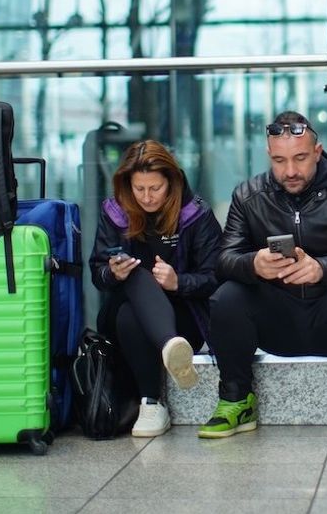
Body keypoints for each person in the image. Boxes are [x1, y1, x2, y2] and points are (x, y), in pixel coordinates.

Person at [201, 111, 327, 440]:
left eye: (300, 158)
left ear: (318, 151)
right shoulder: (248, 195)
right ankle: (236, 399)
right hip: (276, 320)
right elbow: (223, 260)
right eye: (280, 161)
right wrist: (254, 263)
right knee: (227, 296)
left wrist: (322, 269)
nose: (290, 171)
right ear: (269, 155)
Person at [88, 139, 223, 437]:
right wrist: (112, 273)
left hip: (182, 320)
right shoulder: (114, 212)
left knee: (129, 316)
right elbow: (97, 273)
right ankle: (169, 347)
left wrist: (179, 282)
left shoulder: (196, 215)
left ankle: (151, 405)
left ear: (171, 183)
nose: (147, 198)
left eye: (155, 188)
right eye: (139, 189)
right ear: (127, 186)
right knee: (135, 276)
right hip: (126, 321)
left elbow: (217, 276)